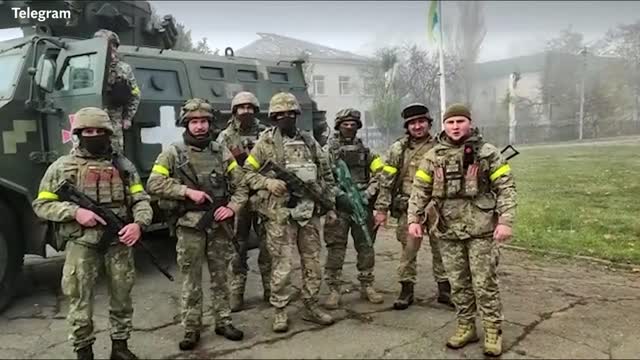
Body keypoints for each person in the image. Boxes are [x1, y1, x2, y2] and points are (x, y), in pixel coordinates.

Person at [32, 107, 152, 360]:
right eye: (88, 131)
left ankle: (120, 347)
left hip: (118, 241)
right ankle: (83, 350)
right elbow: (41, 204)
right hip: (81, 243)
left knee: (122, 296)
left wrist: (138, 225)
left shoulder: (123, 165)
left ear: (108, 133)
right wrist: (74, 212)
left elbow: (141, 199)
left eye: (99, 131)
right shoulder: (61, 167)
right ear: (79, 134)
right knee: (79, 299)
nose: (94, 135)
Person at [407, 103, 517, 356]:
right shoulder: (433, 156)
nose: (455, 127)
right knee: (458, 283)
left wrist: (505, 221)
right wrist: (414, 219)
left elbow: (506, 188)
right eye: (451, 122)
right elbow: (420, 190)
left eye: (460, 121)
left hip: (481, 229)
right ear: (444, 125)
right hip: (447, 230)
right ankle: (466, 326)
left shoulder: (487, 153)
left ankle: (492, 331)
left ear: (469, 123)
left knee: (484, 283)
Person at [146, 98, 246, 350]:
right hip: (190, 226)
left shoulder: (220, 151)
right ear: (186, 124)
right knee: (191, 278)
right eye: (194, 122)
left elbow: (242, 184)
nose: (199, 126)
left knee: (220, 275)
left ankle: (223, 321)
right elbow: (154, 183)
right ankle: (191, 327)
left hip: (218, 224)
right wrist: (186, 192)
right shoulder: (173, 152)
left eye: (203, 121)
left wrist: (231, 207)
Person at [242, 92, 338, 333]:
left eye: (290, 114)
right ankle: (280, 310)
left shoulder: (309, 141)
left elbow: (327, 175)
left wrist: (330, 204)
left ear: (297, 115)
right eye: (280, 115)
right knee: (282, 265)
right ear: (273, 117)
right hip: (281, 214)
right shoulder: (265, 143)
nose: (286, 118)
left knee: (313, 262)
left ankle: (311, 305)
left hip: (309, 213)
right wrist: (267, 183)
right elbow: (247, 173)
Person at [373, 103, 453, 310]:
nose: (417, 127)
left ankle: (445, 290)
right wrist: (381, 209)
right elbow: (386, 181)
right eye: (413, 123)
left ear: (429, 123)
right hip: (409, 207)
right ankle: (406, 290)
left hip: (438, 207)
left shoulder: (442, 146)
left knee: (442, 249)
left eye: (421, 122)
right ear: (407, 126)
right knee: (408, 250)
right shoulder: (398, 149)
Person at [322, 108, 384, 309]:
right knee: (336, 249)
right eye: (345, 124)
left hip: (362, 204)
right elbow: (322, 177)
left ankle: (367, 284)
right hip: (339, 207)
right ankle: (333, 289)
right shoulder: (327, 152)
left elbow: (380, 174)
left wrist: (367, 194)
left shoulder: (367, 151)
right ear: (338, 126)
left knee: (366, 246)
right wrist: (339, 196)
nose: (349, 127)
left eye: (353, 124)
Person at [217, 91, 271, 311]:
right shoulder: (226, 136)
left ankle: (271, 289)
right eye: (241, 108)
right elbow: (221, 166)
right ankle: (237, 292)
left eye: (250, 108)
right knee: (237, 245)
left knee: (268, 244)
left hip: (263, 194)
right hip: (239, 197)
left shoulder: (266, 133)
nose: (245, 111)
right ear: (234, 111)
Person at [93, 29, 141, 154]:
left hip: (114, 120)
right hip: (92, 117)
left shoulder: (124, 69)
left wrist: (128, 117)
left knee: (115, 154)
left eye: (113, 45)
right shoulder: (88, 64)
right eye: (108, 45)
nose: (111, 48)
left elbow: (135, 93)